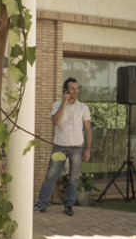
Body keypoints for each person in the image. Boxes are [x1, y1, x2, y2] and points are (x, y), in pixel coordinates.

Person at [34, 77, 92, 217]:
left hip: (77, 148)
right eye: (72, 89)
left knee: (73, 178)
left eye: (77, 89)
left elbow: (88, 129)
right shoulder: (56, 105)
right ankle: (42, 205)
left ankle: (69, 206)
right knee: (51, 176)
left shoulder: (83, 108)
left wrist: (88, 149)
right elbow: (55, 121)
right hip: (59, 147)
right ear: (65, 90)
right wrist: (64, 103)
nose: (75, 91)